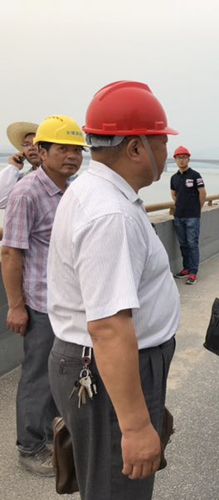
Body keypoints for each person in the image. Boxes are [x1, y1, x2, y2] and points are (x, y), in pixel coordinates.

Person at [47, 81, 180, 499]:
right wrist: (136, 427)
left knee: (108, 484)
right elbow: (108, 327)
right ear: (136, 148)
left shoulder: (95, 191)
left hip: (108, 366)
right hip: (110, 368)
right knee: (118, 489)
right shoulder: (111, 214)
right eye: (161, 142)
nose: (166, 152)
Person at [2, 115, 87, 476]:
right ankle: (30, 446)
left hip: (68, 303)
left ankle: (55, 438)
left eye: (77, 150)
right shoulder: (27, 193)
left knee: (60, 375)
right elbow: (10, 252)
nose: (71, 156)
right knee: (37, 377)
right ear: (42, 150)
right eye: (63, 149)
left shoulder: (71, 190)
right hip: (40, 304)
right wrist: (16, 306)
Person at [170, 145, 206, 285]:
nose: (181, 160)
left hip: (192, 216)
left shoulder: (195, 175)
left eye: (184, 157)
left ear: (188, 159)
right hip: (179, 215)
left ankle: (193, 272)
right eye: (179, 158)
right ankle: (186, 269)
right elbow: (173, 194)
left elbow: (202, 193)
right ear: (175, 160)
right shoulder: (174, 178)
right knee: (183, 244)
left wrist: (197, 209)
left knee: (192, 244)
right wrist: (180, 205)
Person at [0, 122, 41, 209]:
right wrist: (13, 167)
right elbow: (1, 202)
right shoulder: (22, 179)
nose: (31, 148)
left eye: (36, 143)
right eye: (26, 144)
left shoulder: (65, 178)